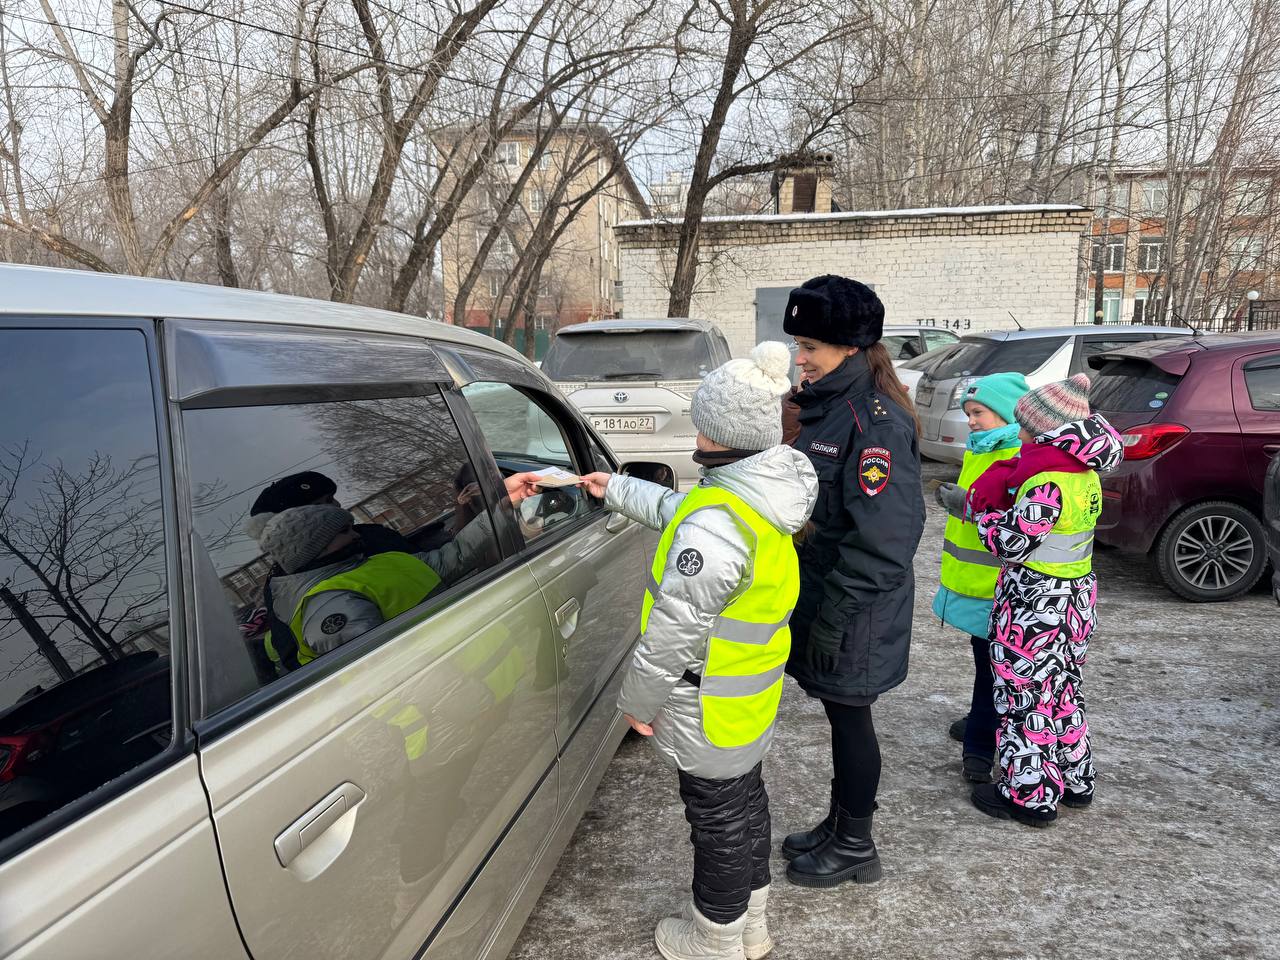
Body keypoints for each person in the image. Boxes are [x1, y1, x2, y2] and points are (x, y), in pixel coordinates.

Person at [578, 342, 817, 960]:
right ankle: (751, 928)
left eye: (698, 421)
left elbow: (672, 633)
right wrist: (615, 487)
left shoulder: (716, 525)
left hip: (704, 697)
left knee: (717, 823)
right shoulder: (754, 497)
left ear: (716, 432)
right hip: (747, 692)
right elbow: (681, 508)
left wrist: (638, 704)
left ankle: (713, 940)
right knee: (744, 803)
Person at [777, 275, 925, 889]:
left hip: (857, 605)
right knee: (841, 717)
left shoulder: (874, 424)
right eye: (799, 345)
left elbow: (885, 542)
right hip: (830, 594)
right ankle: (840, 824)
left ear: (850, 347)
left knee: (851, 719)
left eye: (810, 346)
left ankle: (857, 844)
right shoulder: (831, 409)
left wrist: (834, 615)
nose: (800, 358)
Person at [965, 374, 1123, 827]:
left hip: (1035, 604)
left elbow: (1013, 542)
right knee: (1063, 689)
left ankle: (1029, 795)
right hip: (1076, 599)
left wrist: (984, 515)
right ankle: (1076, 779)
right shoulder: (1085, 475)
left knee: (1024, 697)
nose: (1019, 434)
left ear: (1047, 432)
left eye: (1025, 427)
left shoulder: (1047, 481)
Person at [258, 472, 539, 664]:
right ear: (317, 547)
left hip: (481, 673)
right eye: (343, 531)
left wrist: (503, 505)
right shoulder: (332, 603)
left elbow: (452, 556)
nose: (356, 534)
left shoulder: (376, 562)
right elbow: (388, 671)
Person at [932, 373, 1030, 784]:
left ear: (1006, 414)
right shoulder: (982, 448)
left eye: (979, 413)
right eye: (968, 413)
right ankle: (981, 715)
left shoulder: (1015, 453)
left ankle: (980, 745)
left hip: (998, 585)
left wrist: (969, 506)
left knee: (993, 665)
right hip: (974, 581)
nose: (971, 421)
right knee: (983, 658)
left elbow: (1014, 517)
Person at [245, 471, 417, 673]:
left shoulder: (279, 581)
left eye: (333, 498)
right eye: (326, 502)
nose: (337, 504)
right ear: (301, 520)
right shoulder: (365, 540)